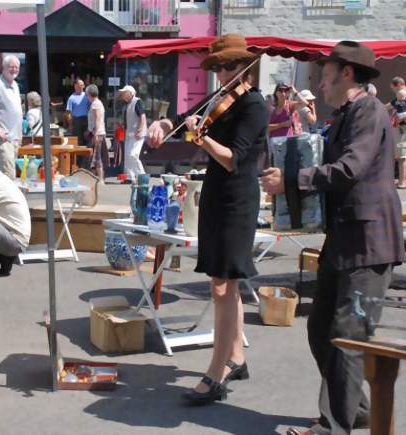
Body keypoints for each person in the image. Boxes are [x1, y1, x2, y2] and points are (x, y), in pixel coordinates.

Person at [261, 40, 405, 435]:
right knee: (321, 327)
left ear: (346, 73)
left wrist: (293, 179)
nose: (320, 85)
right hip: (343, 238)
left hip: (370, 241)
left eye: (325, 76)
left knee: (347, 336)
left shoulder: (370, 112)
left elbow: (348, 168)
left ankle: (332, 426)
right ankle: (355, 409)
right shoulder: (344, 113)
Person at [147, 34, 268, 405]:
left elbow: (235, 158)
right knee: (224, 279)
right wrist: (165, 124)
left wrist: (203, 141)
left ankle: (217, 373)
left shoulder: (255, 106)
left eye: (229, 66)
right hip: (216, 194)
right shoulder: (221, 98)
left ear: (244, 67)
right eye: (217, 67)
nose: (222, 74)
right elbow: (184, 118)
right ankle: (238, 357)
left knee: (223, 285)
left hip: (238, 199)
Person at [385, 88, 406, 189]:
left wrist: (401, 118)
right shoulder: (397, 101)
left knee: (402, 158)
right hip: (402, 130)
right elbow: (386, 107)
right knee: (403, 157)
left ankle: (402, 182)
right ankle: (405, 181)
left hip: (403, 130)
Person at [119, 85, 147, 180]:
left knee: (132, 154)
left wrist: (141, 129)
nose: (122, 94)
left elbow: (142, 116)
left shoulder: (136, 101)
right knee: (127, 156)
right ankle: (129, 177)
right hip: (129, 133)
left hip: (137, 134)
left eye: (124, 92)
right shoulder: (128, 104)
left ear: (131, 93)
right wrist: (122, 124)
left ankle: (142, 175)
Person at [85, 84, 108, 182]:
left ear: (89, 94)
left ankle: (101, 179)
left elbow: (98, 119)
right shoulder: (97, 103)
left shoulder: (95, 104)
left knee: (97, 156)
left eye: (86, 94)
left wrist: (96, 134)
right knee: (94, 157)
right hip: (96, 132)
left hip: (98, 133)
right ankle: (96, 179)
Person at [66, 79, 90, 146]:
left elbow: (90, 109)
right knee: (77, 141)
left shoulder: (87, 96)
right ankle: (78, 155)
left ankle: (86, 155)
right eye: (80, 85)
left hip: (86, 119)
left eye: (83, 85)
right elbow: (68, 113)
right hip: (76, 121)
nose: (82, 86)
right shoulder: (71, 98)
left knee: (87, 138)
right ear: (75, 86)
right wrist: (70, 125)